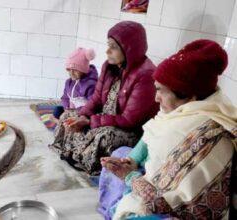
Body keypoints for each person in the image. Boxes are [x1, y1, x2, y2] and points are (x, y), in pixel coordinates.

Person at [98, 39, 237, 219]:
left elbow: (168, 204)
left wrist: (130, 177)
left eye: (161, 91)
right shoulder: (185, 110)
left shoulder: (206, 136)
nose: (156, 99)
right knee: (119, 154)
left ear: (188, 94)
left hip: (173, 210)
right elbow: (154, 130)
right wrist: (131, 161)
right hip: (153, 182)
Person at [49, 21, 159, 175]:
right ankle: (69, 152)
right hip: (106, 118)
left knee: (102, 136)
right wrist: (82, 116)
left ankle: (84, 161)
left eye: (113, 47)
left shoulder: (145, 75)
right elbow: (96, 99)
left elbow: (129, 120)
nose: (107, 51)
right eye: (108, 45)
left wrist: (92, 121)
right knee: (68, 116)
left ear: (130, 49)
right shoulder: (110, 66)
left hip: (130, 130)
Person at [52, 47, 98, 121]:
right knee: (57, 110)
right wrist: (66, 107)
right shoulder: (69, 82)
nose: (71, 73)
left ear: (83, 69)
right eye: (69, 70)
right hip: (70, 109)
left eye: (75, 70)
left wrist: (76, 113)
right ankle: (62, 121)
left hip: (82, 113)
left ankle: (62, 122)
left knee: (84, 120)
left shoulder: (90, 84)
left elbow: (92, 105)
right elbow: (65, 97)